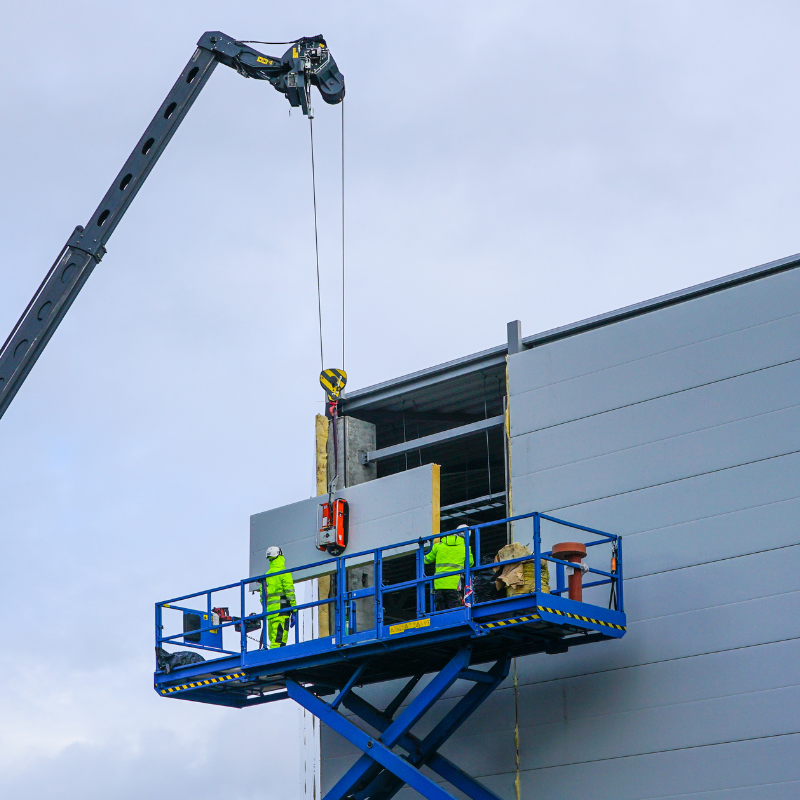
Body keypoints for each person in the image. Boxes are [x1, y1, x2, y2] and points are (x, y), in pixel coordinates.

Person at [424, 524, 474, 611]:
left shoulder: (438, 546)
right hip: (454, 585)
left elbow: (426, 560)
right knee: (455, 613)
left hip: (439, 585)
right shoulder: (465, 548)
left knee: (440, 613)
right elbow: (470, 564)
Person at [259, 546, 296, 648]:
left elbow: (262, 598)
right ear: (280, 556)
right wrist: (294, 609)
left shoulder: (265, 576)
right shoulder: (283, 573)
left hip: (270, 614)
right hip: (282, 612)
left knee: (273, 640)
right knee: (279, 642)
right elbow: (289, 592)